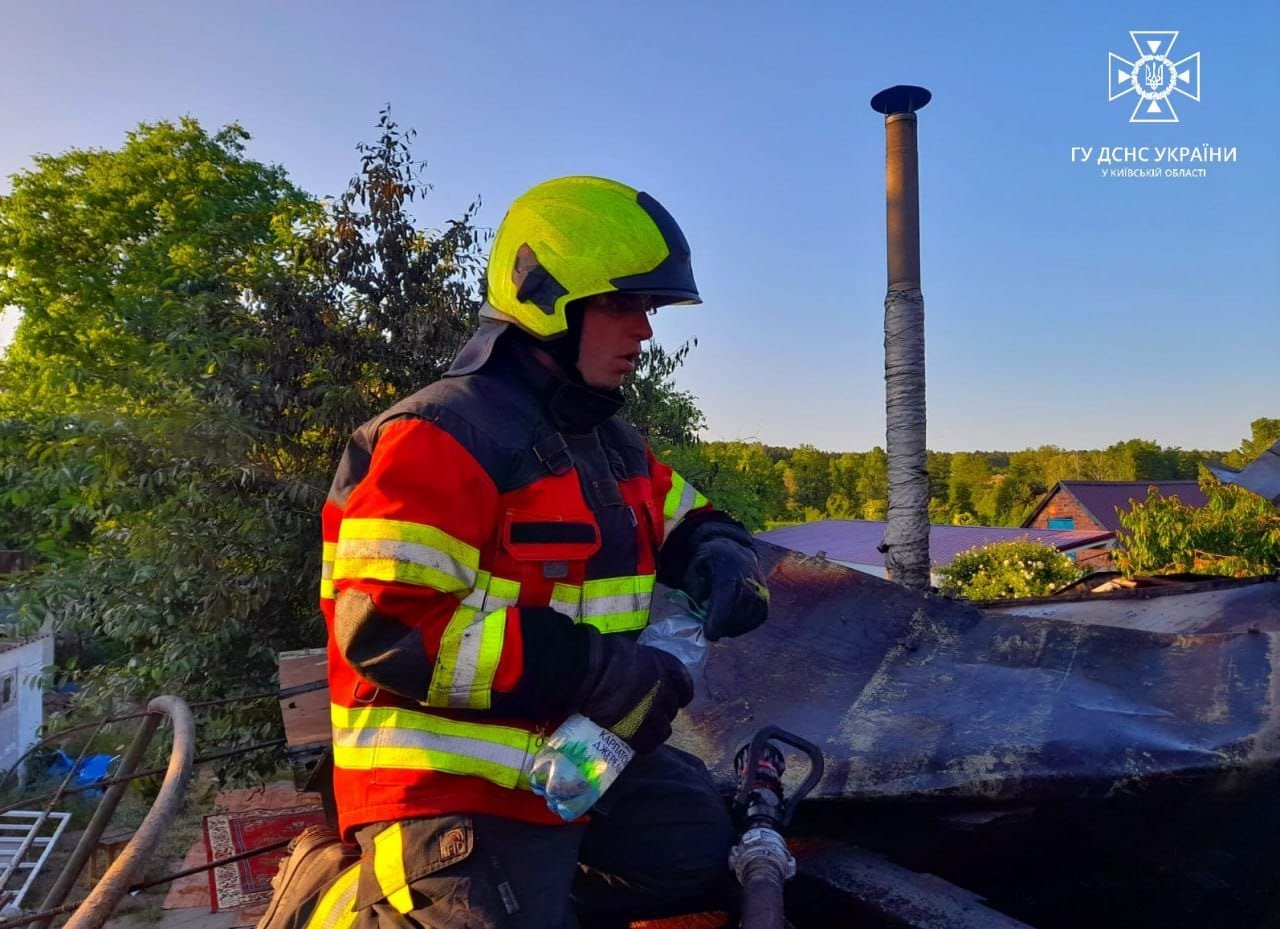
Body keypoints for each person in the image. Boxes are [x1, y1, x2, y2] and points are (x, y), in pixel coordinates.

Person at [318, 175, 769, 928]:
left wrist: (721, 550)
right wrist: (596, 669)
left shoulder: (608, 442)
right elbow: (390, 629)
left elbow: (686, 512)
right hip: (448, 785)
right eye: (623, 305)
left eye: (648, 310)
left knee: (697, 849)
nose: (645, 333)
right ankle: (354, 902)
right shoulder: (438, 437)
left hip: (576, 760)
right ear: (546, 296)